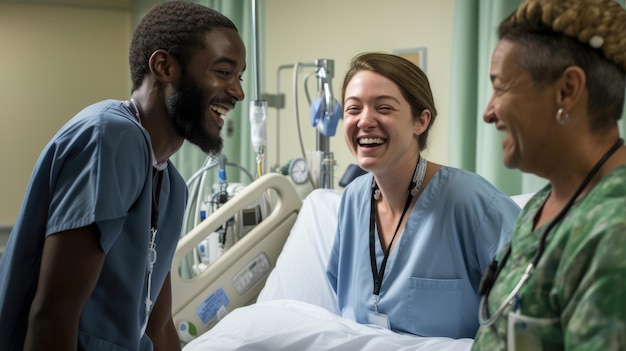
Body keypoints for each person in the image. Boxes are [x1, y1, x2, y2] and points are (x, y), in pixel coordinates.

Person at [0, 1, 246, 350]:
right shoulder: (111, 138)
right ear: (164, 66)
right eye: (224, 72)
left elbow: (157, 328)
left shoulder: (172, 188)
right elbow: (54, 314)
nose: (238, 92)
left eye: (240, 77)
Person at [326, 52, 521, 339]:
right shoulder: (353, 199)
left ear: (421, 121)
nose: (365, 121)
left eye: (384, 108)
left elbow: (530, 303)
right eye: (353, 109)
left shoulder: (470, 201)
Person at [473, 0, 626, 349]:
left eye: (500, 87)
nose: (488, 112)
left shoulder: (615, 230)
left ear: (567, 90)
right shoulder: (546, 202)